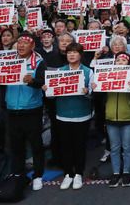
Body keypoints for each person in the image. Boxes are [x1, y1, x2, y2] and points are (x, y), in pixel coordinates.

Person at [0, 33, 47, 191]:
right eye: (18, 42)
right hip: (12, 110)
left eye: (24, 43)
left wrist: (32, 81)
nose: (20, 45)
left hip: (32, 109)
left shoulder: (39, 62)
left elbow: (42, 83)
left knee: (36, 145)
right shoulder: (8, 61)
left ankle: (38, 175)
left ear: (32, 46)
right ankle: (18, 174)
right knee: (16, 146)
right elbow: (1, 84)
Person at [44, 42, 93, 190]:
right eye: (69, 52)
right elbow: (51, 97)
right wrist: (47, 90)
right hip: (63, 114)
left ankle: (78, 173)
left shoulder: (88, 72)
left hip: (82, 115)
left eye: (75, 52)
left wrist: (87, 92)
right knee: (65, 145)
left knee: (79, 145)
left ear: (80, 54)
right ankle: (68, 173)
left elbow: (93, 95)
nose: (71, 55)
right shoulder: (60, 71)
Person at [100, 52, 130, 188]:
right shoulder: (106, 76)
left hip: (128, 116)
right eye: (118, 60)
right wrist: (95, 88)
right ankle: (116, 173)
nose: (120, 62)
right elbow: (100, 97)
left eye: (124, 60)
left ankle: (127, 172)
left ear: (129, 63)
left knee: (128, 146)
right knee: (114, 147)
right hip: (111, 116)